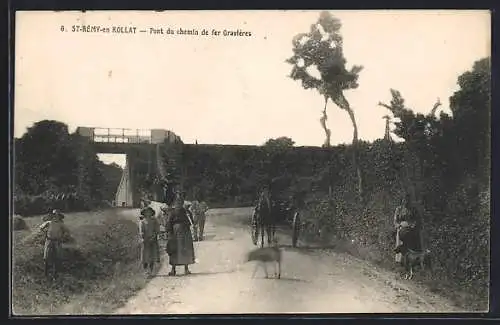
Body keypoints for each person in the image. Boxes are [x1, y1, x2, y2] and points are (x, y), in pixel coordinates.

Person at [165, 192, 195, 276]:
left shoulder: (185, 211)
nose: (178, 203)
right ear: (174, 202)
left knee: (185, 249)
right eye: (177, 201)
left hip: (185, 232)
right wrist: (169, 232)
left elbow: (191, 221)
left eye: (180, 201)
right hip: (175, 233)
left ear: (182, 202)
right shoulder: (172, 212)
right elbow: (169, 222)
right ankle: (173, 269)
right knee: (174, 249)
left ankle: (186, 269)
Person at [39, 209, 71, 279]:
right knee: (46, 257)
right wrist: (45, 232)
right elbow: (41, 228)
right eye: (54, 215)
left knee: (57, 257)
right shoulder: (49, 223)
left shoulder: (61, 224)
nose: (55, 217)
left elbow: (67, 231)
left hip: (57, 241)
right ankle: (45, 273)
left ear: (59, 217)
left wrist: (63, 237)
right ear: (52, 216)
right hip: (49, 241)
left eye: (57, 215)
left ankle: (55, 274)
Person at [393, 194, 421, 263]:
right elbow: (395, 221)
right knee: (400, 240)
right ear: (402, 200)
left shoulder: (413, 210)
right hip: (401, 228)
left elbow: (417, 220)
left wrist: (413, 225)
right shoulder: (398, 209)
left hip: (410, 229)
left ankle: (413, 259)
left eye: (408, 200)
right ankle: (400, 260)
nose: (406, 202)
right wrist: (398, 225)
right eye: (404, 200)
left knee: (414, 240)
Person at [138, 206, 161, 277]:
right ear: (144, 213)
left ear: (151, 213)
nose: (148, 213)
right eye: (146, 212)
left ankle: (151, 271)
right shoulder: (142, 222)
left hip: (153, 240)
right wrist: (143, 237)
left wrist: (154, 236)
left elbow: (157, 230)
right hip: (145, 240)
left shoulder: (154, 221)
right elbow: (141, 231)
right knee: (145, 256)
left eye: (149, 211)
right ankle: (145, 271)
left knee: (152, 256)